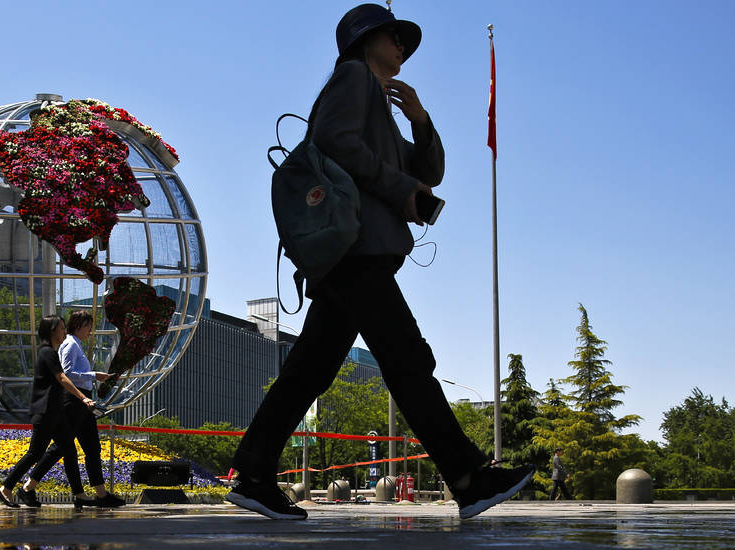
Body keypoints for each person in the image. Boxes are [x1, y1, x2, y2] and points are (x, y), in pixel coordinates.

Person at [226, 3, 534, 520]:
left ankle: (254, 474)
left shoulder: (382, 109)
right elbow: (334, 143)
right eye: (393, 37)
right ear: (363, 40)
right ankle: (468, 477)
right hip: (355, 253)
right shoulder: (353, 78)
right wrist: (401, 188)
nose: (403, 47)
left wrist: (420, 120)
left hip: (357, 256)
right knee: (409, 361)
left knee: (309, 372)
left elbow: (429, 172)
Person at [0, 315, 98, 509]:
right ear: (51, 331)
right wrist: (82, 397)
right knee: (35, 453)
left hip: (55, 413)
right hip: (45, 412)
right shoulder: (47, 353)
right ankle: (6, 488)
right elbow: (62, 377)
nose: (64, 332)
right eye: (61, 328)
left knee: (69, 451)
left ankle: (79, 493)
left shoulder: (52, 351)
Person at [39, 310, 125, 509]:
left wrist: (93, 378)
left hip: (84, 403)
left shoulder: (75, 345)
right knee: (60, 447)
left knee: (92, 448)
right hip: (75, 401)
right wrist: (94, 375)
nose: (90, 331)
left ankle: (101, 494)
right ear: (78, 326)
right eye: (88, 326)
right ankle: (29, 485)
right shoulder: (70, 344)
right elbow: (66, 373)